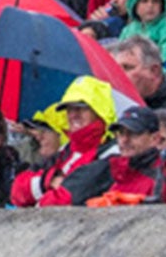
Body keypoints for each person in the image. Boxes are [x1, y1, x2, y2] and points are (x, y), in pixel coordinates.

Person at [13, 77, 116, 208]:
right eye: (69, 109)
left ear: (99, 112)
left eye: (81, 108)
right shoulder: (65, 151)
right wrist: (48, 180)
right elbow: (17, 191)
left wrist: (37, 200)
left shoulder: (111, 155)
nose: (73, 115)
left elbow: (65, 199)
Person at [107, 36, 166, 118]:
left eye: (127, 67)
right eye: (117, 69)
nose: (119, 75)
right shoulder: (112, 110)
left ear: (154, 71)